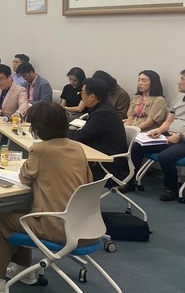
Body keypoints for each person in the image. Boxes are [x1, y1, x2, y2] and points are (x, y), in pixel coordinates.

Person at [0, 103, 92, 293]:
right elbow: (88, 180)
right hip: (86, 225)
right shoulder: (77, 148)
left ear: (38, 128)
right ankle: (24, 270)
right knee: (23, 214)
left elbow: (24, 177)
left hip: (59, 226)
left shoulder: (41, 150)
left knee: (5, 220)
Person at [129, 69, 185, 201]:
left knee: (165, 157)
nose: (179, 82)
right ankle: (130, 181)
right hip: (169, 135)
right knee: (138, 146)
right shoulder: (179, 99)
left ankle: (172, 188)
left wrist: (180, 136)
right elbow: (169, 121)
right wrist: (159, 131)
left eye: (182, 79)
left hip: (182, 140)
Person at [67, 77, 128, 182]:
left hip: (107, 163)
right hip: (101, 152)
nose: (81, 96)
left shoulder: (103, 113)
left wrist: (58, 132)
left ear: (92, 96)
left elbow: (81, 136)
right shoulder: (102, 107)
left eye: (82, 93)